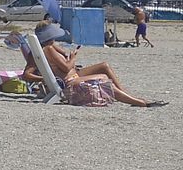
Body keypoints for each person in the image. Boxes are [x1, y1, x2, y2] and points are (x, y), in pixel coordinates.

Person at [21, 20, 165, 107]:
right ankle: (138, 102)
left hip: (71, 76)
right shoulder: (49, 49)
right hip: (70, 80)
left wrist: (66, 57)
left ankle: (130, 97)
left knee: (104, 67)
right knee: (103, 77)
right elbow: (65, 67)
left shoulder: (46, 49)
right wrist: (73, 58)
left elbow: (61, 65)